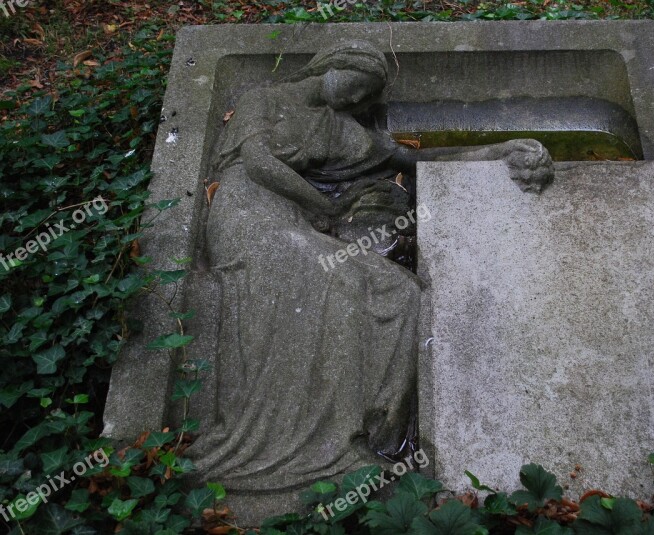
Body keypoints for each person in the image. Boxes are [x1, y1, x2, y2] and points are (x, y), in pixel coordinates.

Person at [189, 40, 553, 491]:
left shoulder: (345, 132)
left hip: (298, 224)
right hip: (248, 214)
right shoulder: (263, 100)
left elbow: (415, 162)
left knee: (398, 294)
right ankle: (275, 444)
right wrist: (322, 204)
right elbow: (260, 163)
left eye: (368, 96)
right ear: (334, 64)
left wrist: (498, 152)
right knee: (334, 277)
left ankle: (350, 439)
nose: (360, 100)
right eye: (360, 85)